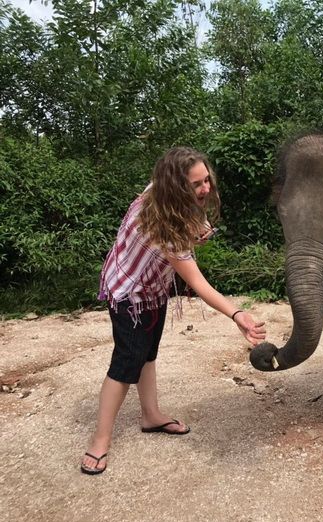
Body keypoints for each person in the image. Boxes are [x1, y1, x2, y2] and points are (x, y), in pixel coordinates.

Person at [80, 147, 267, 475]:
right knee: (126, 364)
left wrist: (199, 223)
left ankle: (150, 415)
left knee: (147, 355)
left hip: (152, 288)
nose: (205, 188)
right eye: (196, 184)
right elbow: (198, 283)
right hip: (129, 293)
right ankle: (100, 439)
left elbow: (193, 221)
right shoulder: (166, 227)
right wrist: (238, 315)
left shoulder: (160, 191)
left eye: (206, 179)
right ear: (176, 187)